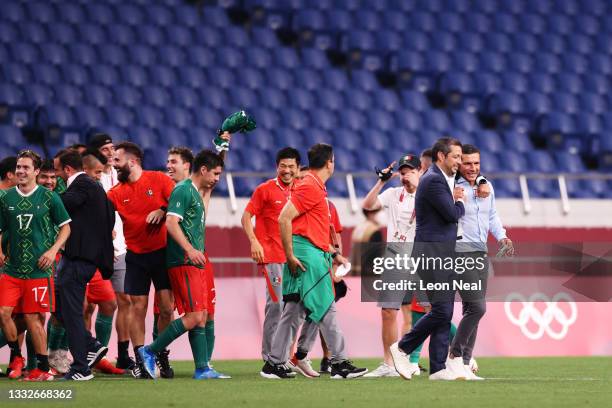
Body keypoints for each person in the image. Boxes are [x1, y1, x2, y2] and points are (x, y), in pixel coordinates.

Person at [261, 143, 367, 379]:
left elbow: (307, 228)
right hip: (307, 257)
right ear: (330, 162)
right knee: (326, 307)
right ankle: (339, 362)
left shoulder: (313, 186)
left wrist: (332, 253)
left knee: (294, 311)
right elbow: (284, 218)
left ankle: (274, 363)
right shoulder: (311, 186)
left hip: (311, 253)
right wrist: (289, 255)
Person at [139, 150, 227, 379]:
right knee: (195, 316)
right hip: (183, 261)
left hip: (194, 261)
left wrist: (223, 146)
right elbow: (170, 222)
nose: (217, 178)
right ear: (204, 170)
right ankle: (149, 351)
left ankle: (202, 368)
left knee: (202, 313)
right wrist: (189, 249)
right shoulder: (183, 190)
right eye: (215, 173)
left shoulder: (196, 192)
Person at [390, 137, 467, 381]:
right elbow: (452, 214)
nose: (460, 161)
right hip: (432, 254)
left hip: (438, 253)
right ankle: (402, 348)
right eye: (456, 156)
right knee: (442, 312)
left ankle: (437, 368)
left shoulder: (439, 178)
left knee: (443, 311)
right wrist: (460, 201)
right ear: (441, 157)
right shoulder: (434, 180)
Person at [0, 150, 71, 381]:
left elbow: (66, 227)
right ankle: (16, 355)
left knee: (33, 318)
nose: (21, 171)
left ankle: (41, 367)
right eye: (19, 167)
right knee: (3, 313)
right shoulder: (5, 198)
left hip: (39, 269)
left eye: (26, 167)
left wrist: (53, 251)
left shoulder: (50, 198)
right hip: (11, 269)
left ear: (36, 171)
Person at [107, 142, 175, 378]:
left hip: (163, 254)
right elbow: (100, 216)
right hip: (135, 256)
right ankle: (141, 360)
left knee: (167, 309)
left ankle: (160, 353)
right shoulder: (115, 193)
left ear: (132, 162)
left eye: (117, 160)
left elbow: (180, 204)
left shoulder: (159, 180)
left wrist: (163, 210)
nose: (113, 164)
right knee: (138, 308)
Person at [449, 144, 514, 380]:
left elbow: (492, 215)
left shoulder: (487, 186)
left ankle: (465, 363)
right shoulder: (451, 187)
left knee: (471, 310)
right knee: (478, 307)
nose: (473, 168)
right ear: (458, 164)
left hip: (480, 253)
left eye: (476, 163)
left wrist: (502, 236)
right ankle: (455, 357)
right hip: (459, 253)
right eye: (467, 163)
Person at [54, 149, 115, 380]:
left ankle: (81, 367)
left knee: (70, 311)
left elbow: (63, 203)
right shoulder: (94, 187)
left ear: (67, 169)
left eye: (57, 169)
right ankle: (90, 344)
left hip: (80, 259)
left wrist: (41, 197)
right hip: (80, 258)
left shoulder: (81, 185)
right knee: (57, 303)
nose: (56, 173)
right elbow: (110, 216)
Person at [362, 153, 421, 377]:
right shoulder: (393, 194)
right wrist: (381, 182)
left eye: (411, 171)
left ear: (420, 172)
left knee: (429, 311)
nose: (406, 176)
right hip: (395, 256)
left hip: (422, 257)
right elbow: (368, 206)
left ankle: (424, 359)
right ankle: (389, 364)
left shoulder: (428, 195)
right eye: (403, 172)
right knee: (388, 311)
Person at [241, 147, 301, 365]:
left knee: (294, 309)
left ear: (298, 168)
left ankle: (284, 357)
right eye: (283, 166)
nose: (286, 170)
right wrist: (254, 241)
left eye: (291, 166)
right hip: (272, 257)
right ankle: (270, 358)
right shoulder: (264, 189)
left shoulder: (301, 190)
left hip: (295, 258)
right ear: (277, 167)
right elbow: (246, 217)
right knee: (276, 306)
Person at [88, 134, 135, 373]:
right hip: (96, 251)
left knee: (123, 301)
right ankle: (88, 354)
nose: (109, 152)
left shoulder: (122, 176)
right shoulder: (92, 178)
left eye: (112, 148)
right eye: (105, 149)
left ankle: (121, 354)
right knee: (90, 306)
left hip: (120, 249)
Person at [80, 150, 123, 375]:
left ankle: (97, 357)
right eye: (97, 172)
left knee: (109, 303)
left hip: (94, 260)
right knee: (76, 309)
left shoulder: (97, 190)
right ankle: (54, 357)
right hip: (72, 259)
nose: (99, 176)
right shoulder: (72, 190)